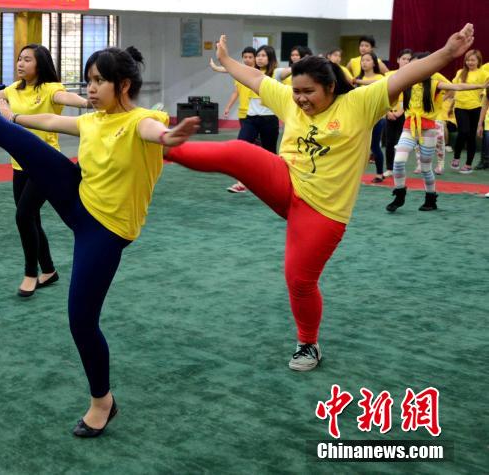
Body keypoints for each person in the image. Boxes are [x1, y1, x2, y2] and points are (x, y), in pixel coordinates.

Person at [0, 44, 198, 437]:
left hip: (105, 232)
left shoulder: (141, 119)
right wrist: (15, 116)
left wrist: (169, 136)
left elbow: (154, 132)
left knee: (81, 321)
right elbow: (51, 119)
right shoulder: (92, 121)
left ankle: (103, 401)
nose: (91, 88)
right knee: (13, 136)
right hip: (77, 199)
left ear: (124, 84)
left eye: (99, 81)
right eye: (89, 81)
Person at [166, 25, 475, 372]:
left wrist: (449, 52)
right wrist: (225, 60)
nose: (300, 98)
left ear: (330, 87)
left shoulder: (359, 103)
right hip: (286, 183)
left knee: (299, 280)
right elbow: (255, 77)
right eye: (296, 91)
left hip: (323, 212)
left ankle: (308, 344)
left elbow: (406, 75)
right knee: (238, 152)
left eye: (308, 92)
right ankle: (163, 150)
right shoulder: (289, 100)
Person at [0, 44, 88, 296]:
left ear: (39, 64)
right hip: (19, 164)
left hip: (45, 164)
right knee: (31, 218)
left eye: (27, 59)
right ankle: (49, 270)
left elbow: (70, 99)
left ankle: (31, 272)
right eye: (19, 59)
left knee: (23, 216)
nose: (20, 63)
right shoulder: (13, 89)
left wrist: (91, 101)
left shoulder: (51, 89)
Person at [387, 50, 486, 212]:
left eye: (420, 65)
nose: (415, 67)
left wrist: (481, 85)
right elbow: (381, 86)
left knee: (426, 167)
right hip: (409, 126)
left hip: (428, 129)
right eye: (413, 64)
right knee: (398, 161)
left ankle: (430, 198)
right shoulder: (405, 82)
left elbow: (457, 86)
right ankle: (399, 194)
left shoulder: (434, 83)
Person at [213, 46, 257, 193]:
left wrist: (220, 66)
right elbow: (236, 92)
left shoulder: (259, 73)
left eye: (251, 57)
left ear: (255, 58)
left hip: (258, 117)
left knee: (254, 150)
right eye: (245, 57)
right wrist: (228, 106)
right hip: (244, 115)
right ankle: (244, 182)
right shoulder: (240, 74)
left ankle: (249, 181)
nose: (248, 60)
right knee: (247, 150)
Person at [449, 49, 488, 173]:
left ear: (478, 61)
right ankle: (456, 157)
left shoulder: (483, 73)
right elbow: (453, 88)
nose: (470, 62)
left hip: (476, 108)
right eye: (468, 60)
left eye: (473, 60)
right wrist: (450, 104)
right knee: (463, 132)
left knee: (472, 136)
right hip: (460, 107)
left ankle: (468, 164)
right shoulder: (460, 73)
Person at [353, 52, 387, 182]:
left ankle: (379, 174)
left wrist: (358, 81)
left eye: (367, 60)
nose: (364, 62)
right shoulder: (357, 78)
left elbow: (375, 83)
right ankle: (356, 174)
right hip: (360, 118)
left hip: (377, 118)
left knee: (374, 146)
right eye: (362, 60)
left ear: (374, 63)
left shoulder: (380, 77)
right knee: (358, 147)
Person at [383, 49, 413, 177]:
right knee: (389, 142)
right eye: (404, 58)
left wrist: (400, 112)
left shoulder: (413, 76)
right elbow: (383, 94)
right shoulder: (389, 75)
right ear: (398, 60)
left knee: (401, 143)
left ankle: (399, 168)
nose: (406, 61)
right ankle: (389, 168)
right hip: (389, 113)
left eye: (409, 59)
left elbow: (411, 97)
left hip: (404, 114)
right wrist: (387, 112)